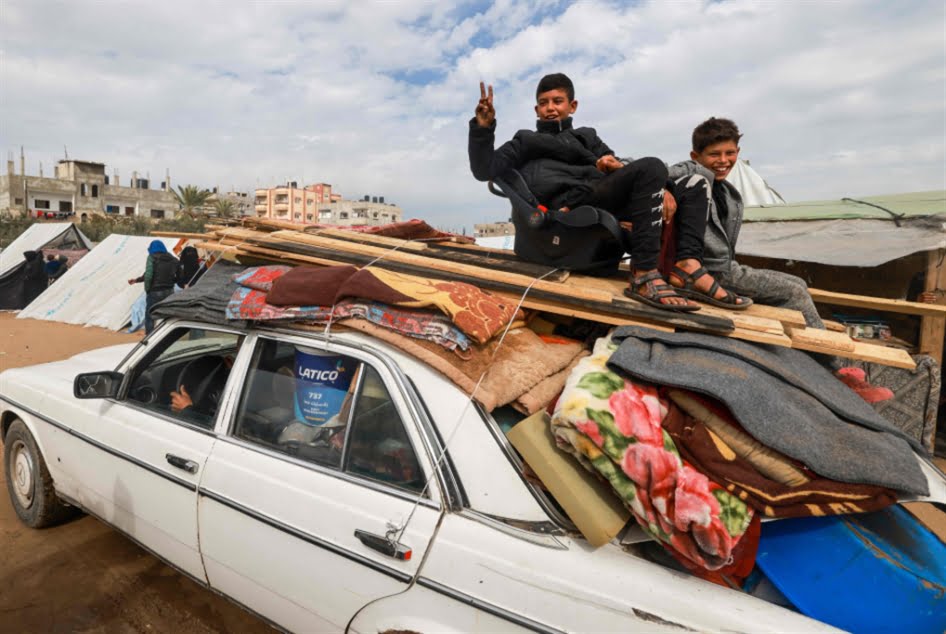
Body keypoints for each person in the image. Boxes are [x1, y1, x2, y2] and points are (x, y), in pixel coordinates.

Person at [468, 73, 699, 312]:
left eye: (557, 101)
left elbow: (622, 169)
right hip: (567, 208)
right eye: (544, 103)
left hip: (600, 196)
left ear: (572, 106)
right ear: (536, 109)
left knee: (692, 186)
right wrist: (482, 129)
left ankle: (689, 267)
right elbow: (484, 170)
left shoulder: (588, 137)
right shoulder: (525, 141)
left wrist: (658, 185)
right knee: (653, 165)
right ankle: (644, 274)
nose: (550, 108)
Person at [667, 118, 821, 324]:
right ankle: (827, 353)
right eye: (714, 154)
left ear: (737, 152)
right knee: (795, 293)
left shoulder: (728, 193)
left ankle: (799, 337)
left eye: (729, 153)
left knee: (799, 282)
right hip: (708, 271)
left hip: (726, 267)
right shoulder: (693, 172)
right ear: (696, 156)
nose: (723, 160)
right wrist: (661, 188)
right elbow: (656, 171)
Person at [128, 240, 179, 334]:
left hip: (155, 292)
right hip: (169, 291)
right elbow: (180, 276)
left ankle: (149, 337)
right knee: (167, 314)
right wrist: (136, 280)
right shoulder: (173, 259)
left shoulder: (152, 258)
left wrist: (147, 290)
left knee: (150, 315)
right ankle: (166, 335)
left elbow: (148, 276)